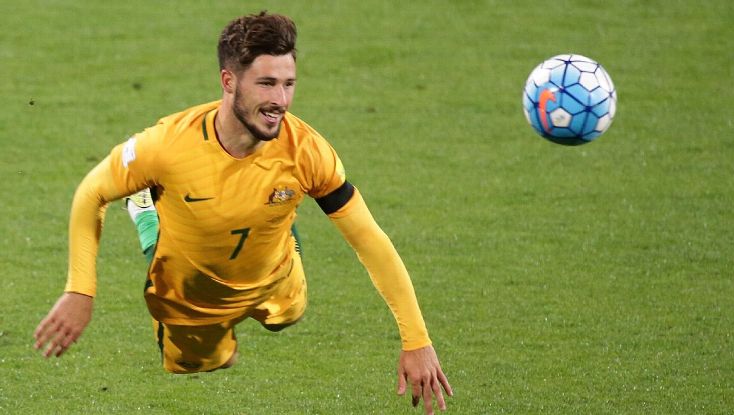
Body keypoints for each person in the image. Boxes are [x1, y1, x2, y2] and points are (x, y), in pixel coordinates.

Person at [33, 11, 452, 414]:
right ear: (228, 81)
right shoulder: (165, 147)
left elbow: (369, 239)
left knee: (288, 316)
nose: (280, 101)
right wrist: (80, 290)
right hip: (192, 294)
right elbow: (91, 192)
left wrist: (416, 339)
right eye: (267, 84)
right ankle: (147, 214)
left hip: (276, 276)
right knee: (203, 364)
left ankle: (275, 222)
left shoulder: (306, 151)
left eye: (289, 84)